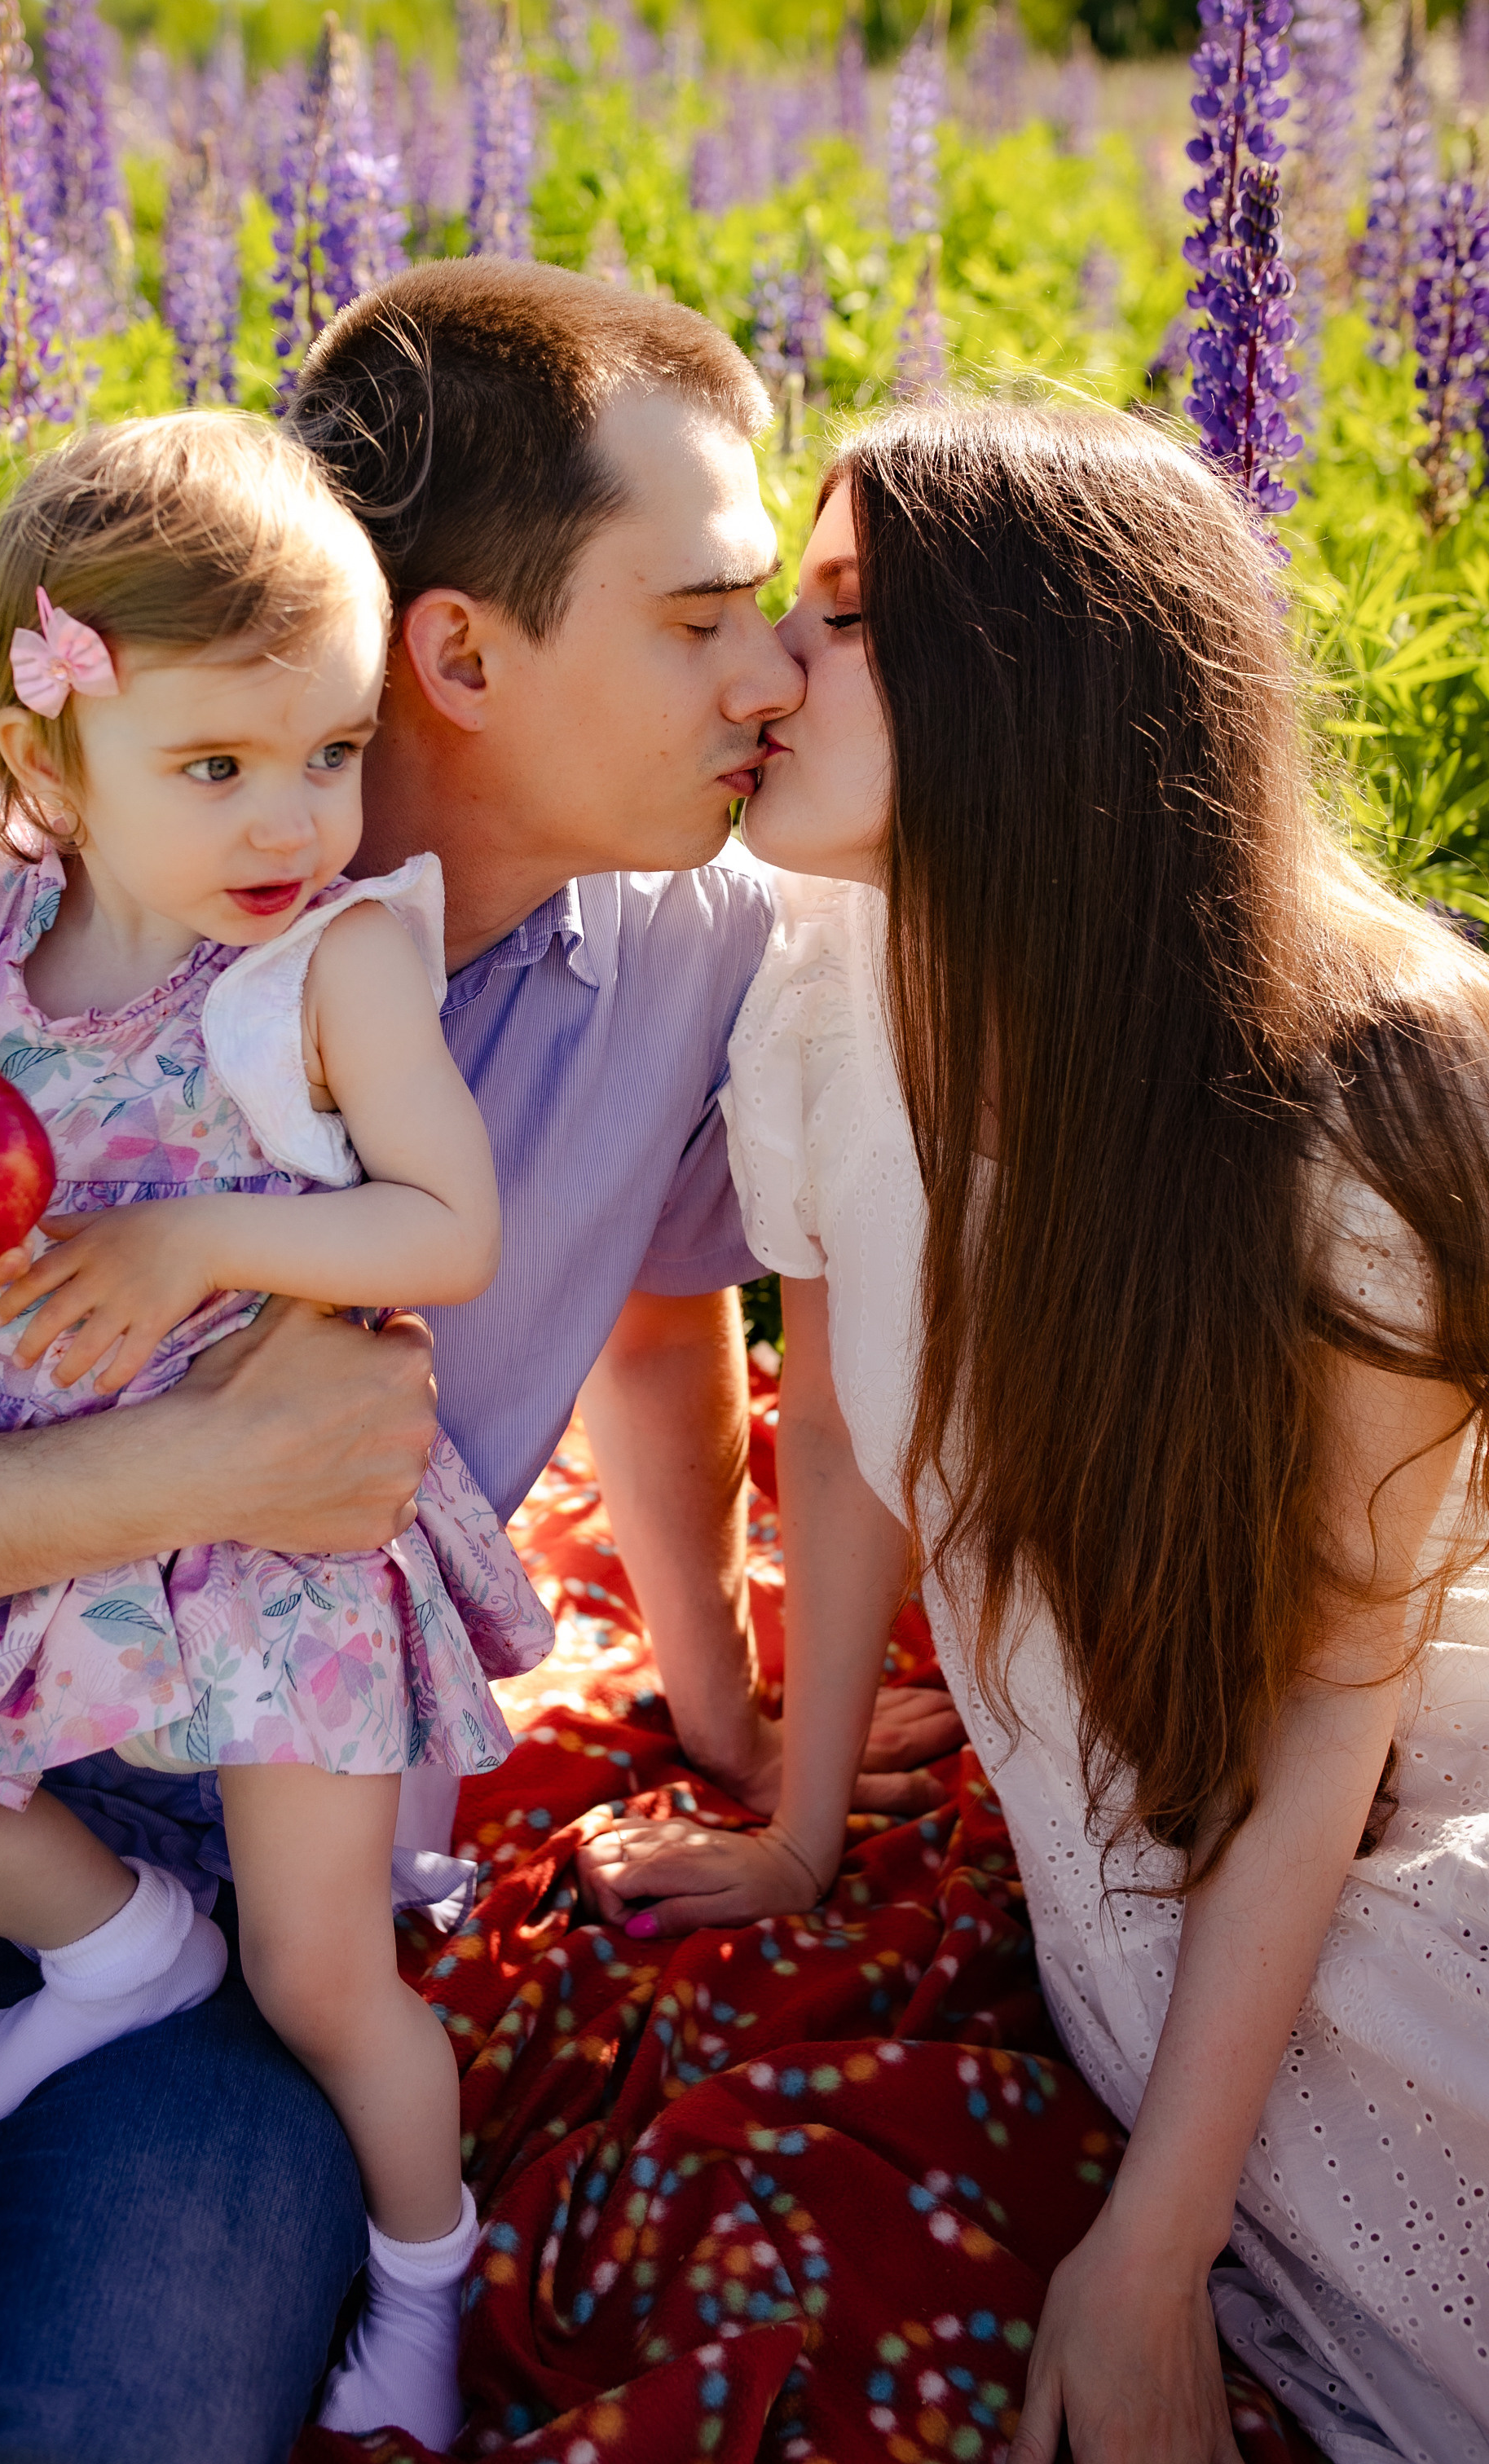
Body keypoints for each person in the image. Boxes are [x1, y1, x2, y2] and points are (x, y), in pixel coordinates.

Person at [0, 259, 927, 2462]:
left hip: (218, 1867)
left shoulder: (688, 946)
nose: (773, 672)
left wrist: (715, 1669)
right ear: (459, 653)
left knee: (116, 2413)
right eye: (702, 610)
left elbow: (655, 1290)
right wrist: (195, 1469)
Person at [586, 403, 1489, 2464]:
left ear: (1034, 680)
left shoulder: (1372, 1104)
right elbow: (823, 1421)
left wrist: (1142, 2255)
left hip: (1369, 1861)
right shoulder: (830, 974)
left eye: (836, 620)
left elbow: (1321, 1741)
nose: (760, 675)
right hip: (1134, 1892)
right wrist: (802, 1826)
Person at [0, 411, 554, 2448]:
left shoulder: (329, 967)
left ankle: (421, 2280)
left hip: (276, 1552)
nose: (292, 813)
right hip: (41, 1520)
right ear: (52, 761)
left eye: (330, 749)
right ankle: (112, 1948)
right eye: (216, 766)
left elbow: (447, 1227)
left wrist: (197, 1226)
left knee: (319, 1976)